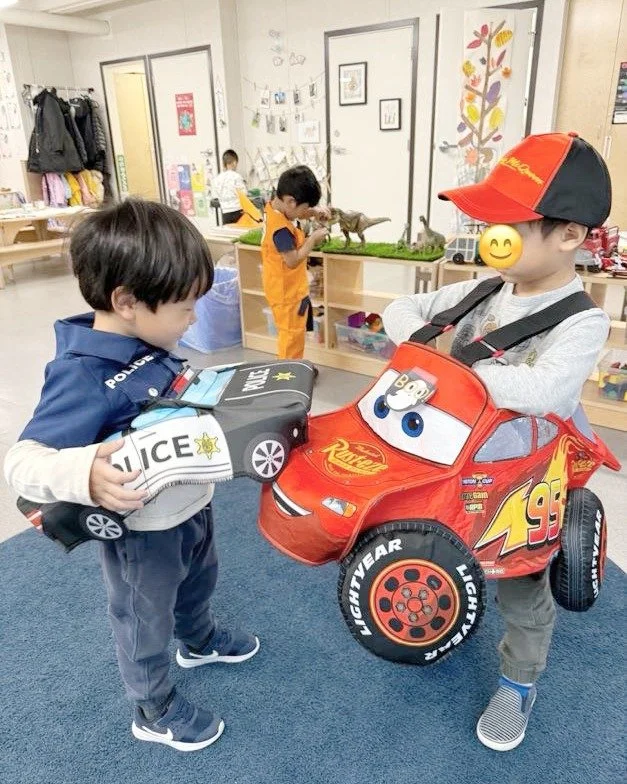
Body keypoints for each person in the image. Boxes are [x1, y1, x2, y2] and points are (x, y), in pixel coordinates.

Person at [382, 132, 611, 752]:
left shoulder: (584, 319)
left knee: (521, 580)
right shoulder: (486, 287)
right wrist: (420, 342)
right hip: (460, 456)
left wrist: (451, 370)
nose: (492, 237)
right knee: (435, 538)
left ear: (568, 234)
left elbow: (545, 390)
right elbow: (402, 309)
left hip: (524, 475)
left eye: (508, 224)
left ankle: (518, 678)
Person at [3, 199, 260, 753]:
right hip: (143, 532)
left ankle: (199, 639)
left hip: (191, 506)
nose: (193, 319)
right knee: (145, 615)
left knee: (199, 580)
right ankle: (153, 706)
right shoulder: (82, 374)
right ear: (126, 301)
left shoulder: (153, 345)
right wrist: (84, 474)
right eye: (185, 307)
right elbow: (21, 463)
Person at [261, 164, 330, 360]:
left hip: (288, 289)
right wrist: (312, 240)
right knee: (291, 336)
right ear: (291, 201)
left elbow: (295, 213)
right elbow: (292, 261)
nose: (306, 212)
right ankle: (287, 372)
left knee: (295, 334)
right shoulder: (280, 229)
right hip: (286, 294)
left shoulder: (275, 208)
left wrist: (313, 212)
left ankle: (294, 366)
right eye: (305, 208)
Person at [211, 149, 246, 224]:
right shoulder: (236, 176)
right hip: (238, 211)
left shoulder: (217, 179)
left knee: (228, 233)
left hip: (225, 212)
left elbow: (216, 195)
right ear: (235, 162)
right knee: (240, 234)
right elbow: (243, 194)